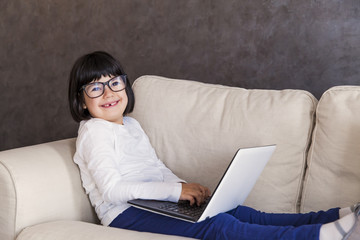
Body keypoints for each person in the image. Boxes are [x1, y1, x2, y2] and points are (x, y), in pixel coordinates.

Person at [68, 51, 359, 240]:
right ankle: (322, 236)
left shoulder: (131, 125)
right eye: (95, 87)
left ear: (125, 86)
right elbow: (112, 190)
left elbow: (153, 168)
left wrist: (183, 189)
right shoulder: (94, 131)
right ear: (82, 100)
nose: (108, 92)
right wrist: (175, 191)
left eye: (114, 83)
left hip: (155, 204)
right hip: (125, 214)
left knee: (242, 213)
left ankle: (338, 216)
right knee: (219, 227)